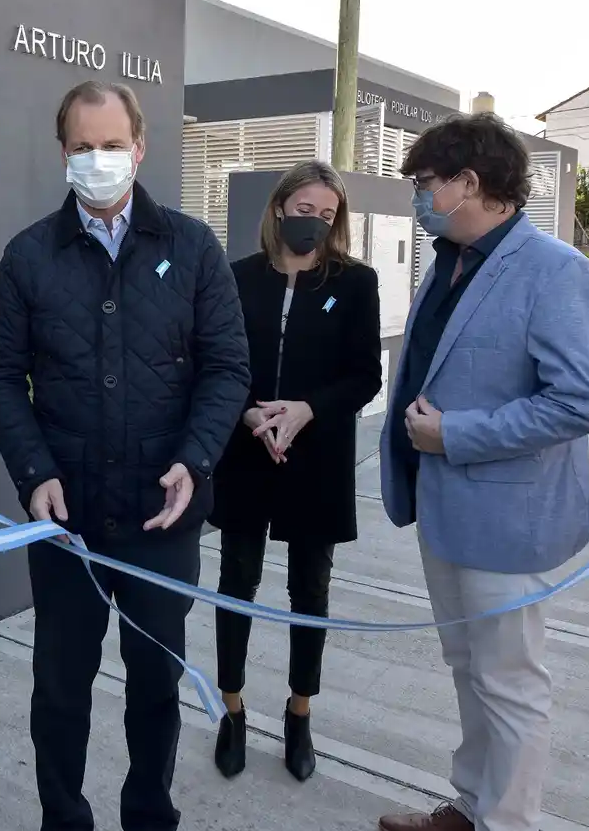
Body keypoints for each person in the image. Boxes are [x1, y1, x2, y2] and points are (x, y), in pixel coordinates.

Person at [0, 80, 250, 831]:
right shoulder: (29, 255)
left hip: (161, 517)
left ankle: (149, 814)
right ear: (62, 153)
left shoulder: (192, 248)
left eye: (112, 145)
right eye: (83, 146)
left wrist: (196, 458)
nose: (98, 159)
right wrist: (34, 474)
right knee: (60, 689)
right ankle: (63, 817)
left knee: (155, 685)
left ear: (140, 148)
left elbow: (228, 367)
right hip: (66, 522)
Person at [376, 113, 589, 831]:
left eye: (425, 183)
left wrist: (454, 434)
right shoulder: (451, 261)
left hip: (508, 521)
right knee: (468, 668)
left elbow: (581, 400)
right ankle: (472, 805)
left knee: (509, 684)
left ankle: (505, 822)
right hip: (443, 509)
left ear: (469, 182)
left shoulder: (557, 272)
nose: (418, 198)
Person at [208, 161, 382, 784]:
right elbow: (216, 360)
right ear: (280, 208)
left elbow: (365, 376)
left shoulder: (355, 283)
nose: (315, 223)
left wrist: (307, 409)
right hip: (247, 451)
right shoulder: (236, 278)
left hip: (317, 457)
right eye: (305, 210)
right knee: (237, 580)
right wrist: (249, 413)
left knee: (311, 589)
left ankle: (299, 712)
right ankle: (232, 710)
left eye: (327, 215)